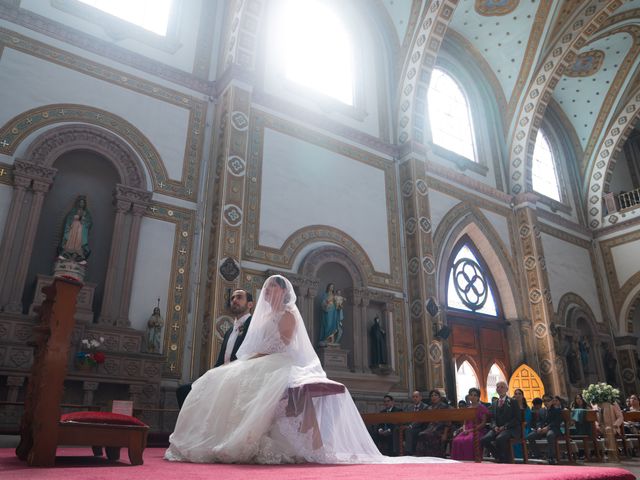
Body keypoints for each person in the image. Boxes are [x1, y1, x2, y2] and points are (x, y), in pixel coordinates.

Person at [165, 275, 455, 465]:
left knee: (234, 377)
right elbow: (257, 345)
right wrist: (249, 358)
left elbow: (284, 346)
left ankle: (260, 439)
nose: (267, 293)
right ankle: (220, 434)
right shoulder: (264, 317)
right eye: (265, 290)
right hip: (264, 360)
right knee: (216, 377)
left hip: (281, 361)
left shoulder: (289, 313)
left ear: (282, 291)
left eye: (271, 289)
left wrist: (253, 358)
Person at [175, 289, 253, 408]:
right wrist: (209, 377)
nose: (234, 300)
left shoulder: (253, 325)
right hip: (222, 376)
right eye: (232, 298)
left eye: (239, 297)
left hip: (241, 379)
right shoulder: (229, 331)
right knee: (184, 392)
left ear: (250, 304)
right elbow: (221, 360)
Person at [480, 381, 521, 463]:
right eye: (498, 387)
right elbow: (493, 419)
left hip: (510, 429)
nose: (500, 389)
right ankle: (498, 456)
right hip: (497, 428)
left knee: (500, 439)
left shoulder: (513, 401)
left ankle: (503, 460)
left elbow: (517, 418)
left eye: (502, 387)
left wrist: (505, 427)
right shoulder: (494, 403)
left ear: (506, 389)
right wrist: (494, 426)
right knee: (484, 440)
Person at [450, 387, 489, 460]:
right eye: (471, 395)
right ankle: (460, 460)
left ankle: (471, 460)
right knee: (456, 440)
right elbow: (465, 422)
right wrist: (464, 429)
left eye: (475, 395)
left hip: (478, 430)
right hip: (466, 430)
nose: (473, 397)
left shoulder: (482, 408)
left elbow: (483, 423)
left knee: (469, 440)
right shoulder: (468, 408)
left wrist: (471, 430)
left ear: (478, 397)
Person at [527, 395, 563, 464]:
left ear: (552, 401)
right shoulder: (541, 410)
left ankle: (551, 457)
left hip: (553, 429)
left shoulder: (557, 410)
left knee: (550, 435)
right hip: (542, 429)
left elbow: (557, 422)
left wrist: (548, 427)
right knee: (530, 437)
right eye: (544, 401)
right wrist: (539, 428)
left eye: (548, 400)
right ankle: (538, 455)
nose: (546, 402)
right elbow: (539, 421)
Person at [58, 195, 93, 262]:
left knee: (79, 240)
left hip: (81, 228)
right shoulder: (73, 211)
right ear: (78, 203)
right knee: (71, 239)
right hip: (73, 227)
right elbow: (69, 218)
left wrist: (83, 220)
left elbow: (89, 222)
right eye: (80, 202)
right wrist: (76, 218)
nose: (81, 204)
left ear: (85, 204)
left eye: (83, 203)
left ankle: (78, 253)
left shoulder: (87, 213)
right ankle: (67, 251)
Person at [403, 390, 429, 455]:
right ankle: (396, 452)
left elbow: (421, 419)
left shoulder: (425, 407)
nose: (415, 398)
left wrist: (410, 426)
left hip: (421, 427)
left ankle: (409, 452)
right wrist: (405, 425)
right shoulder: (409, 407)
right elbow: (406, 417)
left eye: (416, 397)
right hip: (410, 426)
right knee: (397, 430)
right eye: (413, 397)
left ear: (420, 398)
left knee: (409, 430)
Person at [511, 388, 531, 459]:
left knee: (519, 434)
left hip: (524, 428)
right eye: (516, 394)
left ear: (522, 396)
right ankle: (513, 457)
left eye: (519, 394)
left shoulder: (526, 408)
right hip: (514, 427)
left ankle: (520, 457)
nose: (517, 395)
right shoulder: (512, 407)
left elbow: (526, 421)